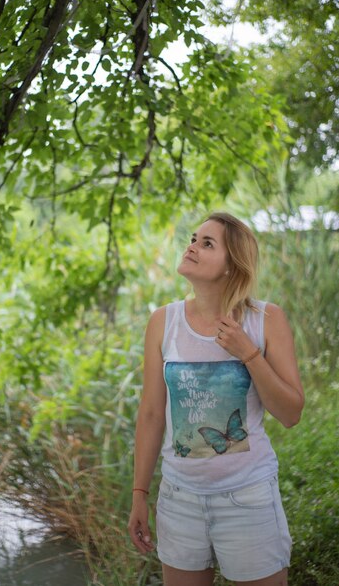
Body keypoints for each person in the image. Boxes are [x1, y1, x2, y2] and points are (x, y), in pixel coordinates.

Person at [128, 211, 305, 586]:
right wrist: (139, 494)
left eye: (207, 243)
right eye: (194, 238)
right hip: (180, 500)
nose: (192, 246)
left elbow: (291, 413)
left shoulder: (264, 320)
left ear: (231, 266)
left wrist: (249, 353)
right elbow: (151, 415)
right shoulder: (163, 321)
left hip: (249, 498)